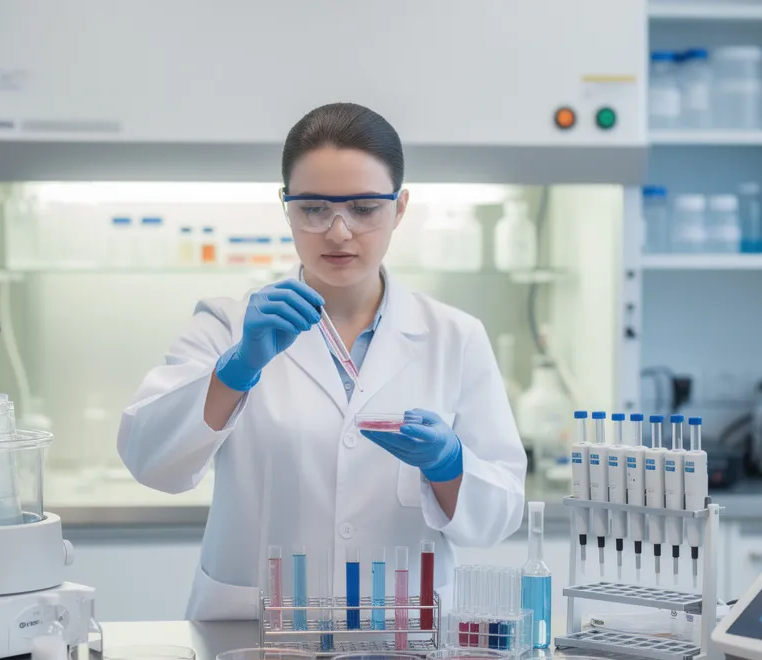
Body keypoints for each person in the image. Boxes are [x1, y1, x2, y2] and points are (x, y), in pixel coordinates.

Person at [118, 102, 526, 620]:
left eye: (363, 208)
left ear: (399, 209)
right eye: (314, 208)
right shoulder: (228, 324)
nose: (337, 232)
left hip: (402, 636)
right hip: (255, 638)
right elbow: (149, 459)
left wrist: (450, 466)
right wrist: (236, 369)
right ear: (286, 206)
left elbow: (499, 515)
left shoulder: (455, 337)